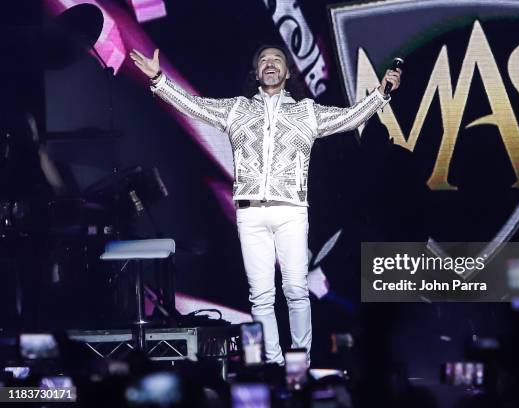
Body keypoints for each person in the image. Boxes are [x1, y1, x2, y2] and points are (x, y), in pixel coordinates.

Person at [130, 45, 401, 365]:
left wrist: (382, 93)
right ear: (256, 73)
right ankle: (272, 364)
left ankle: (300, 362)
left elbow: (349, 117)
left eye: (277, 60)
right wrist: (159, 79)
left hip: (290, 212)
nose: (270, 63)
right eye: (263, 60)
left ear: (287, 72)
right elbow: (194, 107)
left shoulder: (307, 113)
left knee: (296, 292)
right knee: (261, 297)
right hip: (251, 213)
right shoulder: (237, 110)